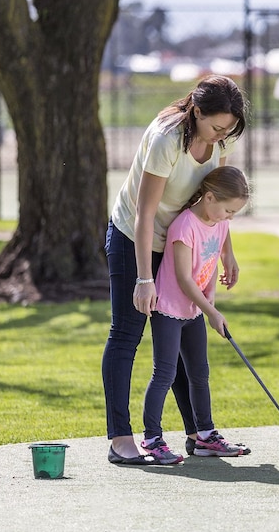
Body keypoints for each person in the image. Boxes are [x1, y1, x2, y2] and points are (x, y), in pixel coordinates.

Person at [102, 74, 249, 465]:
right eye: (216, 126)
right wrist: (144, 278)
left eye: (229, 129)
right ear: (197, 111)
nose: (222, 135)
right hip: (135, 237)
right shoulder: (168, 139)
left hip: (176, 241)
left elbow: (217, 197)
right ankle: (121, 438)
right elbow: (146, 212)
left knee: (180, 330)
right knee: (126, 334)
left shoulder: (221, 139)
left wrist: (226, 253)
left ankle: (199, 435)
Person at [141, 166, 252, 463]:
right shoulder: (184, 226)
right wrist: (211, 311)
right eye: (227, 210)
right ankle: (152, 439)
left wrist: (211, 296)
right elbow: (183, 278)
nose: (228, 218)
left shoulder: (219, 224)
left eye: (233, 214)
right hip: (169, 308)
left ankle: (205, 436)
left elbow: (210, 263)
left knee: (199, 374)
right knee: (164, 373)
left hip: (193, 310)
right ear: (210, 197)